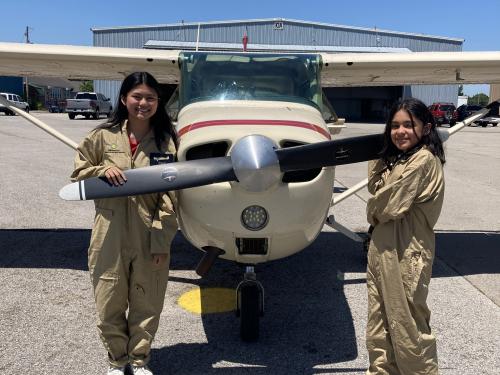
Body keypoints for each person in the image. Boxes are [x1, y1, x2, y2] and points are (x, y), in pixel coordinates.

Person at [71, 72, 178, 375]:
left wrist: (161, 240)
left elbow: (171, 195)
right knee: (109, 300)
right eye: (137, 96)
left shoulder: (166, 142)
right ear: (123, 99)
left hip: (149, 232)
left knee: (148, 301)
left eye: (150, 98)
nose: (143, 103)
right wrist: (101, 170)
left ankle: (140, 360)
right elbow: (78, 172)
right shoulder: (102, 136)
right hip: (110, 232)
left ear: (158, 103)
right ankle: (117, 362)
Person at [365, 98, 446, 375]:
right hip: (381, 252)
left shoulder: (423, 160)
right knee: (379, 325)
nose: (400, 131)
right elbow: (375, 186)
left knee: (407, 326)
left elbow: (388, 204)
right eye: (395, 125)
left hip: (405, 252)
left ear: (425, 128)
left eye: (408, 125)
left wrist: (372, 211)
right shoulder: (400, 159)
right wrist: (381, 153)